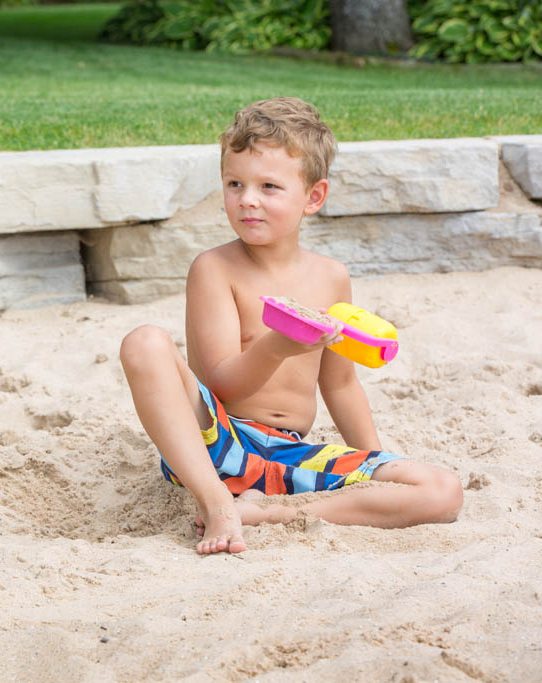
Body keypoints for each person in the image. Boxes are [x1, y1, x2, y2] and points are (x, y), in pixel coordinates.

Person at [119, 97, 463, 555]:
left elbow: (340, 385)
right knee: (144, 343)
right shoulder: (215, 269)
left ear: (313, 197)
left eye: (268, 187)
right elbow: (223, 382)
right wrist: (277, 346)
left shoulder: (330, 277)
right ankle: (217, 500)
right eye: (234, 183)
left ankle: (270, 512)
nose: (247, 200)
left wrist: (368, 465)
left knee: (443, 491)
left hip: (287, 455)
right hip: (218, 441)